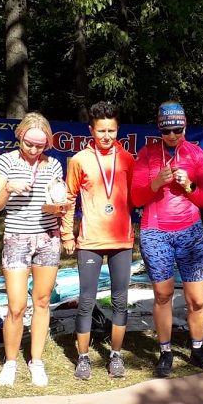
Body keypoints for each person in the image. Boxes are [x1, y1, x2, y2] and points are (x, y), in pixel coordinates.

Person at [131, 101, 203, 378]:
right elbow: (136, 198)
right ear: (159, 129)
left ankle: (197, 349)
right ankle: (166, 351)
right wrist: (156, 183)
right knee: (163, 295)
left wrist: (189, 186)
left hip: (190, 232)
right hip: (156, 232)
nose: (172, 136)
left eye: (177, 130)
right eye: (166, 131)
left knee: (197, 300)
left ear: (185, 127)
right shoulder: (147, 154)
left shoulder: (196, 154)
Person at [0, 113, 65, 387]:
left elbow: (56, 204)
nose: (33, 150)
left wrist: (59, 207)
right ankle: (10, 362)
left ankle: (36, 361)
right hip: (17, 238)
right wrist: (9, 188)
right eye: (29, 144)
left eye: (40, 146)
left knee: (42, 301)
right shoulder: (5, 161)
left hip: (47, 238)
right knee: (16, 305)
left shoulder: (53, 164)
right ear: (20, 137)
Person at [61, 101, 134, 380]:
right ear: (91, 130)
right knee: (86, 301)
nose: (106, 136)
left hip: (121, 240)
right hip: (90, 240)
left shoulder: (127, 159)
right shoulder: (79, 160)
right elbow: (69, 198)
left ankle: (115, 355)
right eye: (101, 130)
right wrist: (67, 234)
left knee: (120, 300)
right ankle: (83, 358)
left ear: (118, 130)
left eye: (111, 131)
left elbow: (136, 196)